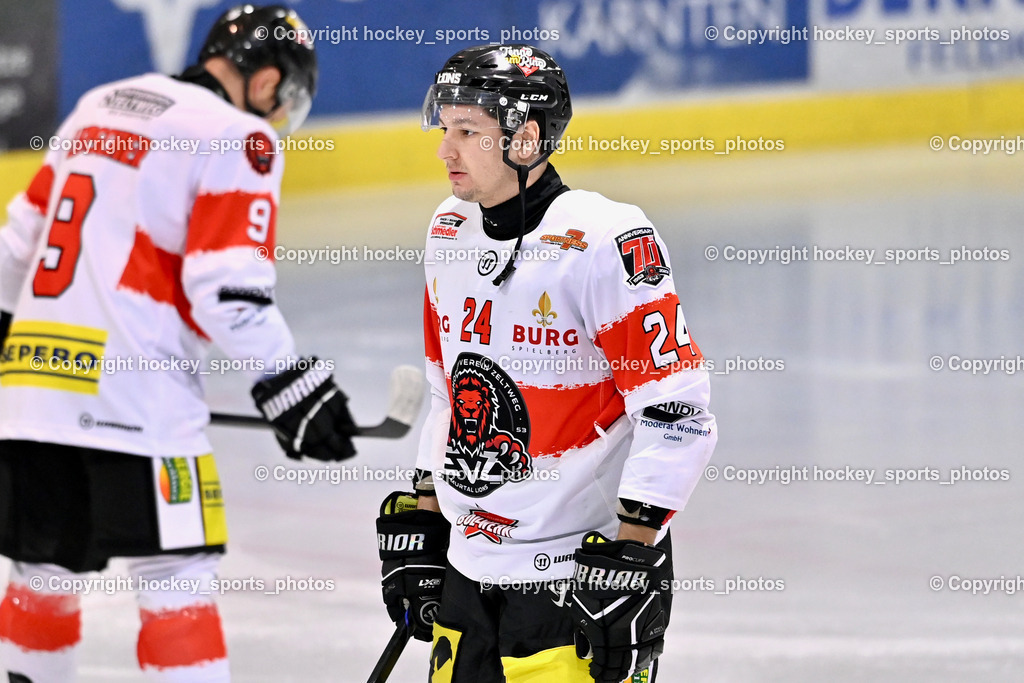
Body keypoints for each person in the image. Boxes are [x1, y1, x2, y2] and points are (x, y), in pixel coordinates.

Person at [0, 5, 358, 681]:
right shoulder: (239, 138)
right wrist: (291, 385)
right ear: (265, 80)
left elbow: (16, 246)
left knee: (40, 575)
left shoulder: (99, 104)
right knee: (175, 580)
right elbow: (226, 286)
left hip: (33, 391)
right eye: (282, 97)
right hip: (138, 400)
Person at [376, 44, 718, 682]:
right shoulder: (448, 229)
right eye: (444, 128)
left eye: (467, 132)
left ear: (526, 138)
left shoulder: (604, 240)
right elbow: (447, 390)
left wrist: (633, 553)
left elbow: (676, 411)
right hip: (468, 570)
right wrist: (426, 511)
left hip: (575, 581)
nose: (445, 150)